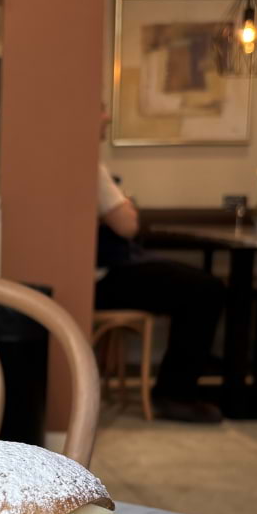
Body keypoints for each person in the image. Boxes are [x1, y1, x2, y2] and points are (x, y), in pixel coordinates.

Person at [96, 106, 226, 423]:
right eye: (100, 110)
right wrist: (127, 203)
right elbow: (127, 224)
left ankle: (179, 389)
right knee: (205, 289)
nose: (108, 117)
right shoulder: (88, 163)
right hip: (103, 278)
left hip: (103, 273)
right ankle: (176, 394)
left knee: (198, 286)